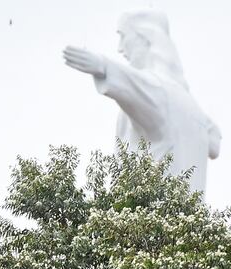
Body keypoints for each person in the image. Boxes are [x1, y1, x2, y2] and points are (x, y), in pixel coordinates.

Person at [63, 9, 222, 198]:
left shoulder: (162, 94)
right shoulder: (193, 109)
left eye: (123, 36)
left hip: (152, 210)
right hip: (191, 213)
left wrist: (104, 66)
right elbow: (214, 143)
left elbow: (143, 86)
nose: (120, 48)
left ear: (146, 37)